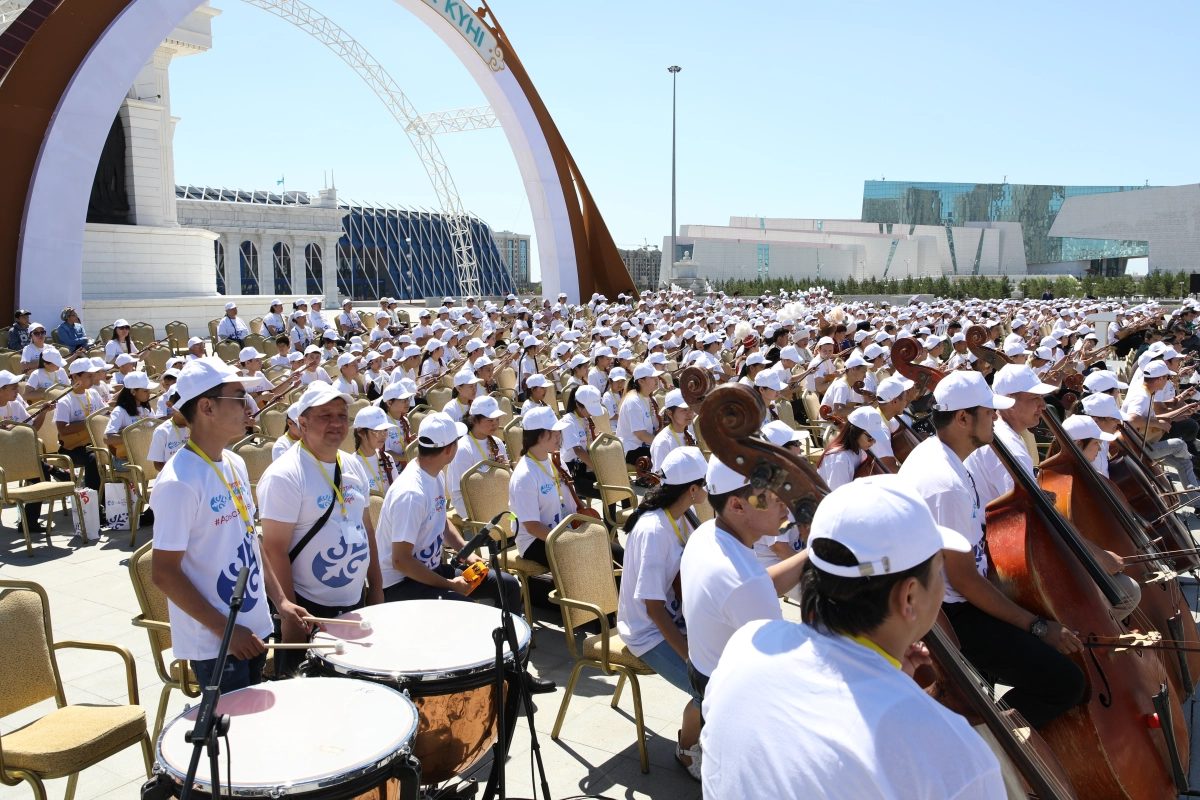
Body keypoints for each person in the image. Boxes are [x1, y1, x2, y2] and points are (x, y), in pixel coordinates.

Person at [699, 475, 1005, 800]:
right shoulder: (957, 758)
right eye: (939, 570)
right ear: (909, 597)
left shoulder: (745, 647)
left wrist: (889, 677)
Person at [898, 370, 1085, 729]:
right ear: (963, 417)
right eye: (988, 412)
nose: (995, 418)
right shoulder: (945, 484)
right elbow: (964, 582)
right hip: (953, 614)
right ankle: (986, 736)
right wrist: (1038, 626)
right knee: (1066, 683)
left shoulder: (943, 456)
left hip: (958, 601)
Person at [151, 357, 308, 692]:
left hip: (251, 627)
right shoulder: (179, 482)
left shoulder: (234, 462)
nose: (250, 406)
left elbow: (250, 539)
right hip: (217, 644)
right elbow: (164, 573)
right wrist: (226, 630)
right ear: (207, 407)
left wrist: (280, 601)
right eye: (239, 398)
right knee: (232, 738)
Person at [964, 364, 1140, 616]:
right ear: (1009, 402)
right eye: (1035, 398)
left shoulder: (1007, 436)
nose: (1044, 406)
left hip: (1007, 546)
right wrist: (1097, 555)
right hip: (1003, 559)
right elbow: (1039, 518)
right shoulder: (1009, 447)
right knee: (1126, 591)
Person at [258, 383, 385, 675]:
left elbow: (366, 529)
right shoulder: (285, 474)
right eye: (325, 415)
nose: (337, 422)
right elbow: (274, 549)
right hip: (307, 608)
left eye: (342, 414)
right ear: (302, 423)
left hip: (354, 604)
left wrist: (376, 587)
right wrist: (290, 618)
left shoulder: (353, 466)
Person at [679, 455, 806, 699]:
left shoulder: (705, 533)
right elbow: (783, 664)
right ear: (737, 505)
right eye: (775, 499)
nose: (786, 507)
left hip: (703, 671)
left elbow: (760, 586)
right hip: (732, 692)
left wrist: (813, 553)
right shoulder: (744, 583)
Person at [616, 447, 709, 780]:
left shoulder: (680, 517)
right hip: (648, 631)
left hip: (675, 618)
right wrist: (689, 657)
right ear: (692, 490)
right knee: (710, 686)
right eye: (705, 483)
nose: (709, 489)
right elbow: (653, 609)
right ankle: (686, 750)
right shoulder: (655, 530)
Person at [510, 406, 623, 567]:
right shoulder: (525, 474)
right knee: (595, 563)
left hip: (568, 531)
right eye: (554, 431)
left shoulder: (557, 461)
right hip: (536, 541)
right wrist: (569, 540)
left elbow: (570, 503)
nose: (559, 435)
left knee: (619, 554)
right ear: (538, 436)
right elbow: (532, 526)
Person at [446, 395, 510, 525]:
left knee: (517, 515)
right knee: (504, 518)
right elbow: (462, 489)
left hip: (495, 494)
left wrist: (505, 469)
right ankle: (498, 541)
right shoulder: (463, 448)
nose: (495, 424)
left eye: (497, 419)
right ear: (474, 420)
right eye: (489, 420)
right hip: (469, 502)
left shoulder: (497, 442)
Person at [55, 359, 105, 492]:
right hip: (73, 448)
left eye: (93, 376)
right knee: (93, 458)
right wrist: (89, 422)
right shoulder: (65, 400)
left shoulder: (93, 394)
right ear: (75, 377)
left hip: (93, 443)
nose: (92, 379)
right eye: (89, 376)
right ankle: (94, 500)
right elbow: (62, 430)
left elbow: (105, 413)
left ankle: (115, 498)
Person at [816, 406, 889, 490]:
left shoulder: (860, 450)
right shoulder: (839, 459)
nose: (874, 442)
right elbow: (839, 497)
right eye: (871, 437)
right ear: (855, 432)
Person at [616, 363, 663, 466]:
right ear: (641, 381)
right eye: (652, 377)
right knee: (665, 454)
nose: (657, 379)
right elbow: (641, 434)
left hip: (645, 446)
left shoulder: (651, 399)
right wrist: (663, 444)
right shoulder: (633, 401)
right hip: (631, 449)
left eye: (656, 376)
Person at [352, 405, 397, 495]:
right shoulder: (351, 464)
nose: (384, 435)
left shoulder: (387, 458)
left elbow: (397, 489)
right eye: (378, 431)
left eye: (385, 430)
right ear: (361, 432)